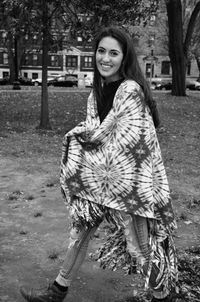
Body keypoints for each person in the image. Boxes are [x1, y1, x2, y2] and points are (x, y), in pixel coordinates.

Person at [20, 26, 178, 302]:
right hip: (98, 184)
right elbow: (98, 135)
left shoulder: (130, 91)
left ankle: (162, 296)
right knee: (79, 234)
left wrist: (94, 155)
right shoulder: (95, 94)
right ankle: (57, 291)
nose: (105, 58)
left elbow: (134, 145)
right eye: (101, 51)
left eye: (113, 53)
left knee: (141, 247)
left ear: (124, 58)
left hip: (131, 186)